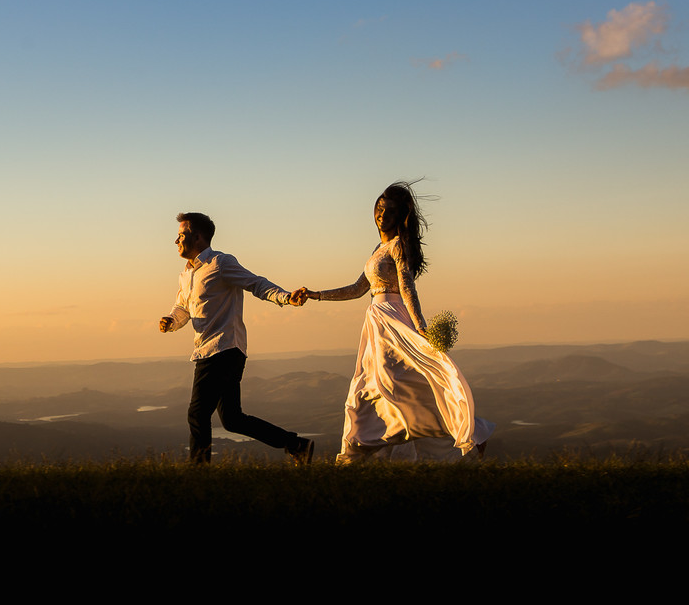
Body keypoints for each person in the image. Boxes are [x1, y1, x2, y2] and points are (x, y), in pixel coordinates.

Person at [299, 182, 494, 464]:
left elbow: (407, 288)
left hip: (393, 319)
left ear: (399, 215)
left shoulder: (398, 245)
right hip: (376, 323)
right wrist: (317, 295)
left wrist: (421, 327)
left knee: (400, 385)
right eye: (379, 209)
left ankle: (473, 430)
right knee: (370, 388)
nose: (382, 215)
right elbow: (357, 288)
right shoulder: (380, 247)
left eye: (389, 211)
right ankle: (358, 452)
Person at [159, 212, 315, 465]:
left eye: (181, 235)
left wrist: (286, 297)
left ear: (198, 237)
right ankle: (297, 445)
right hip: (209, 351)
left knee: (197, 414)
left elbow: (256, 283)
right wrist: (170, 321)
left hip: (223, 349)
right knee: (232, 420)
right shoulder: (186, 275)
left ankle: (199, 476)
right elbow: (183, 309)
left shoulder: (220, 263)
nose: (175, 241)